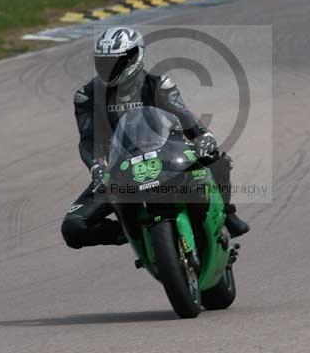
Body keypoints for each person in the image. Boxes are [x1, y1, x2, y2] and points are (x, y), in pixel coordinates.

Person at [61, 27, 250, 249]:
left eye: (116, 61)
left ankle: (226, 213)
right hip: (119, 169)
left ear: (135, 56)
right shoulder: (86, 95)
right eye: (104, 62)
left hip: (168, 156)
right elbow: (88, 139)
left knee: (218, 159)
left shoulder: (158, 84)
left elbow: (183, 114)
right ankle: (131, 231)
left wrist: (203, 136)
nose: (109, 68)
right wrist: (96, 165)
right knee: (73, 228)